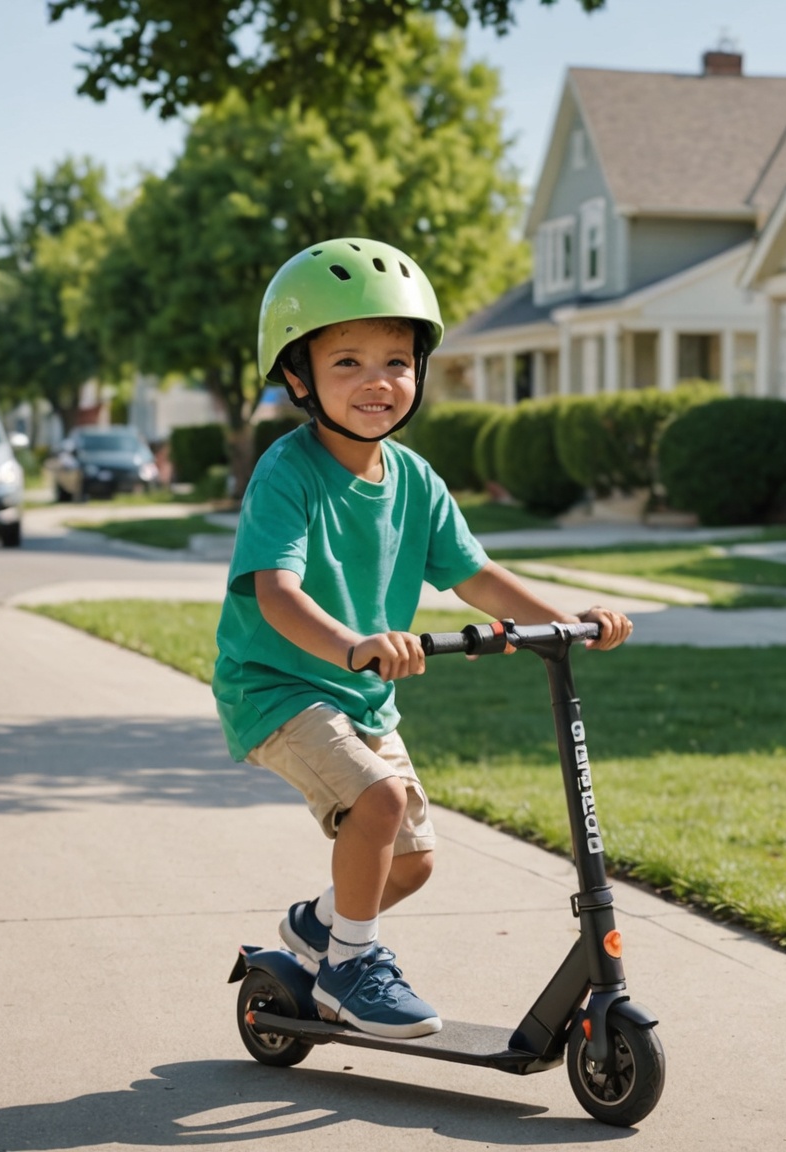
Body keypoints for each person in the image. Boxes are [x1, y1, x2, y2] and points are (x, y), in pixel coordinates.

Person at [214, 238, 632, 1039]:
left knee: (412, 860)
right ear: (297, 378)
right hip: (278, 687)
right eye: (347, 363)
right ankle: (349, 969)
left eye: (396, 361)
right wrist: (354, 644)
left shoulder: (414, 479)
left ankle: (316, 928)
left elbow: (478, 575)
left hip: (360, 691)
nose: (377, 380)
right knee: (380, 800)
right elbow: (277, 592)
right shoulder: (287, 472)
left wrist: (565, 621)